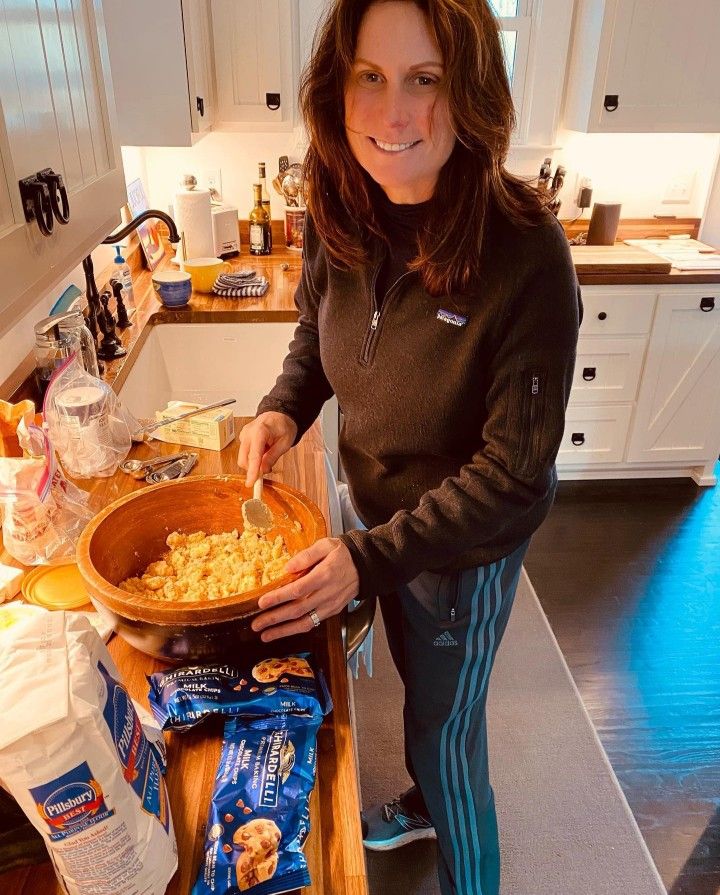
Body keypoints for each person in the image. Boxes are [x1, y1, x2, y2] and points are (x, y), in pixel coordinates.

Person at [238, 2, 581, 893]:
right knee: (422, 689)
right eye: (372, 76)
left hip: (463, 552)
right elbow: (317, 339)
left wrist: (368, 556)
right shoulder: (341, 201)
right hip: (383, 526)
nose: (395, 117)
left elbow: (514, 472)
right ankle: (428, 801)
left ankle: (457, 833)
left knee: (446, 729)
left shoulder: (526, 252)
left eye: (425, 80)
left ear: (468, 92)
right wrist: (283, 410)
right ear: (337, 87)